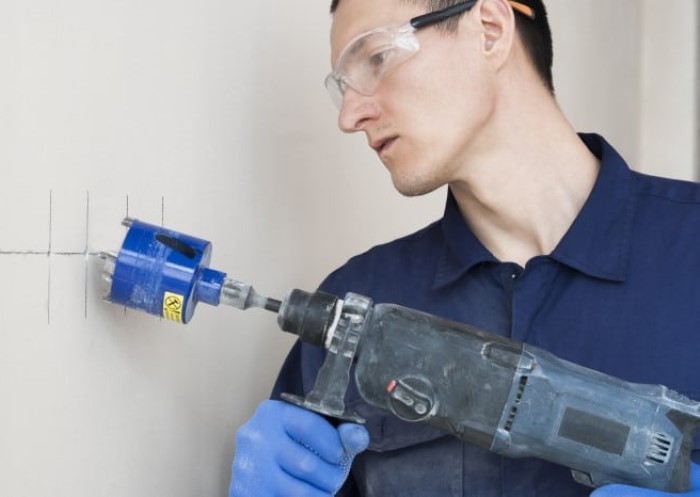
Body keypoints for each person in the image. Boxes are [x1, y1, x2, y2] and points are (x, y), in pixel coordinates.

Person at [229, 0, 700, 495]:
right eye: (342, 88)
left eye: (376, 58)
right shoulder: (358, 305)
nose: (350, 116)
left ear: (491, 30)